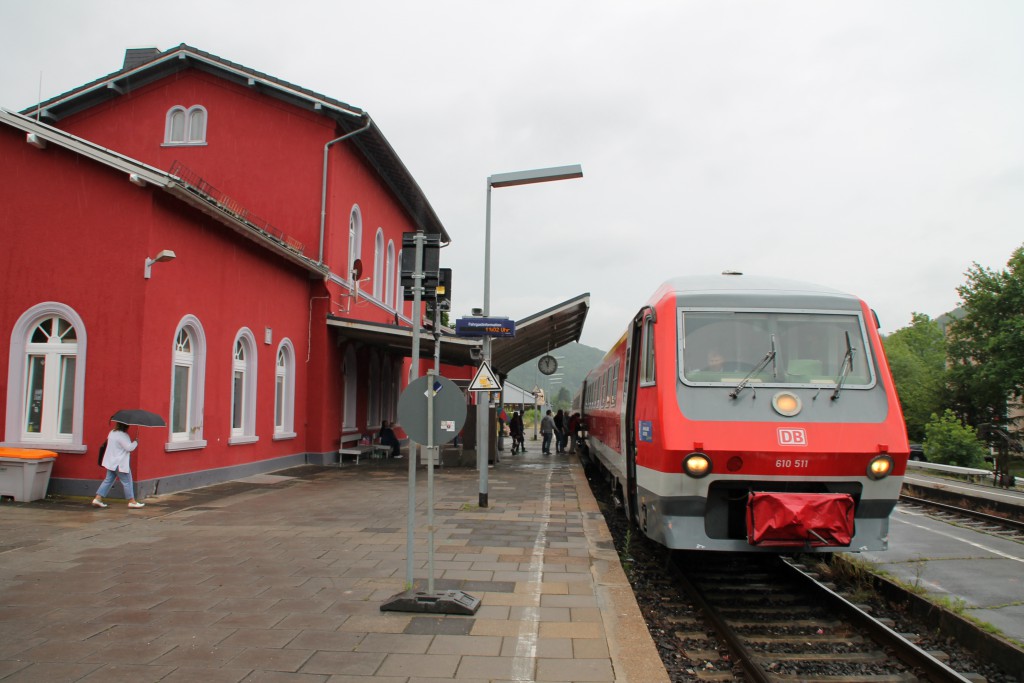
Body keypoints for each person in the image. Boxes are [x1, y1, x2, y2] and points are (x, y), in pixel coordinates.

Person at [92, 421, 144, 508]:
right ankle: (132, 501)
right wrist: (136, 442)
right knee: (127, 481)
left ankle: (98, 498)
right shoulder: (124, 436)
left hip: (111, 462)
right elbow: (129, 448)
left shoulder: (112, 433)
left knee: (108, 480)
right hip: (120, 463)